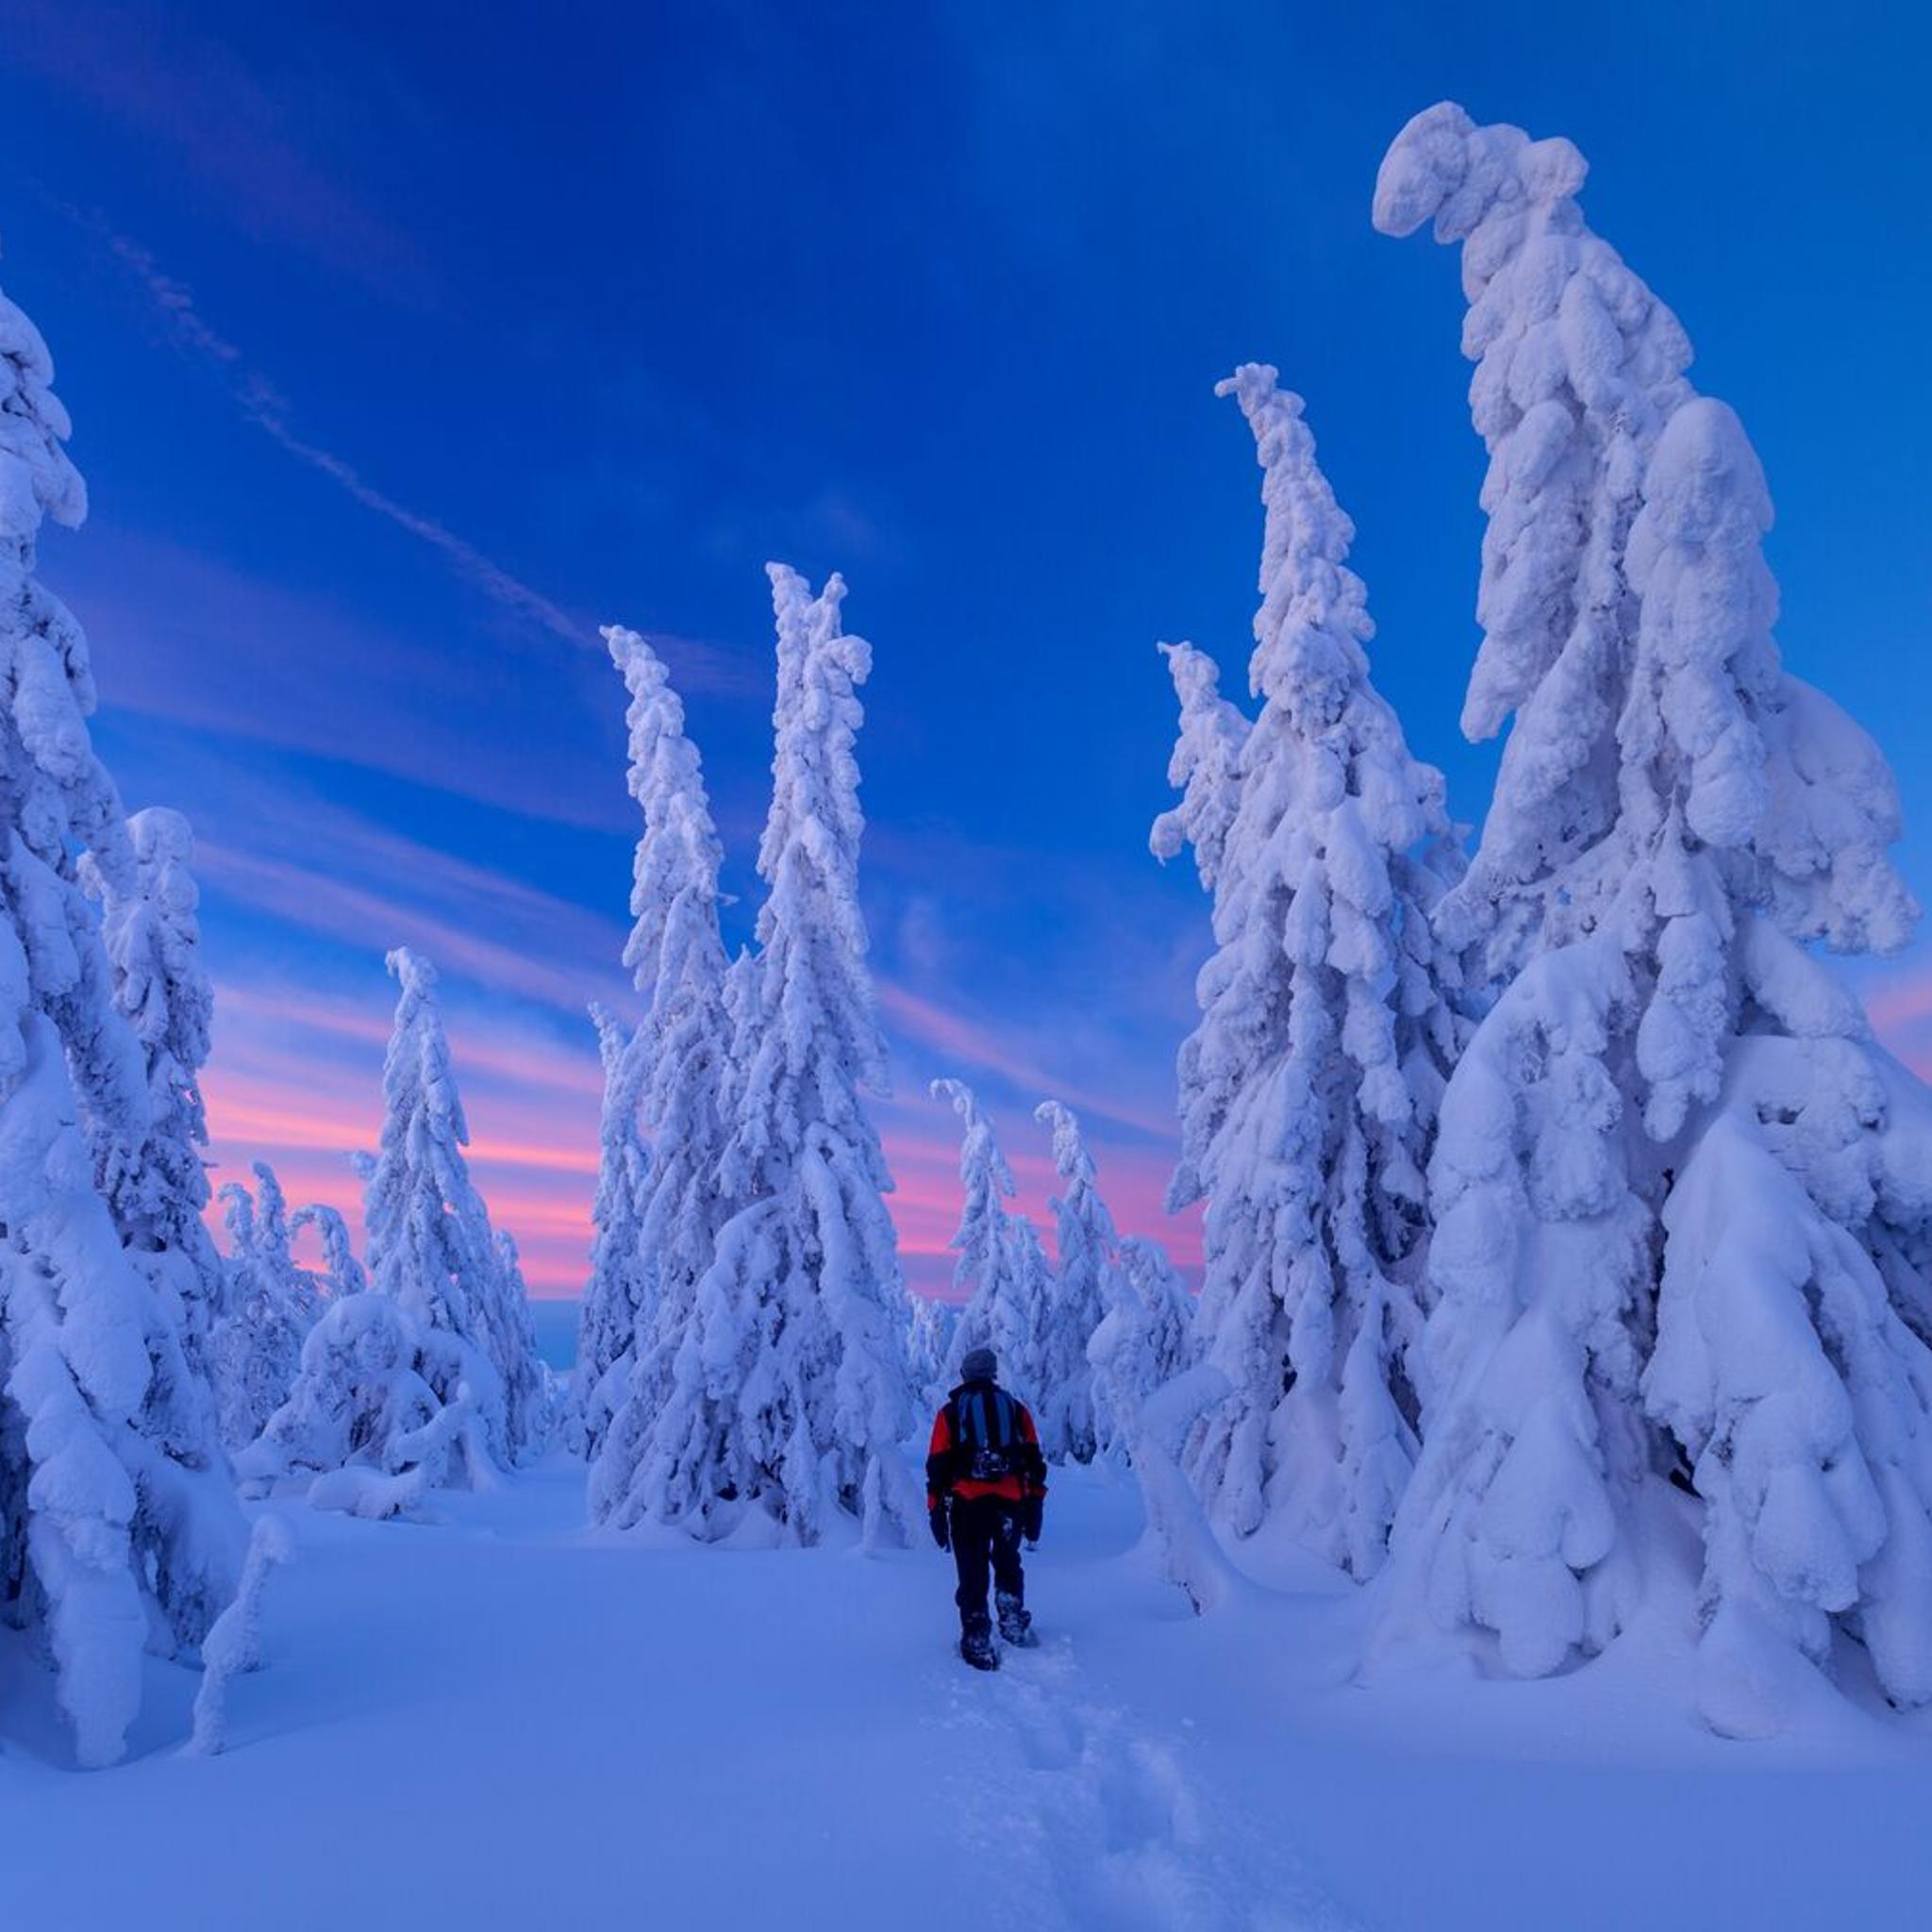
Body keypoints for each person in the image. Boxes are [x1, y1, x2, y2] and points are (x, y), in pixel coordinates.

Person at [925, 1346, 1048, 1671]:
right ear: (993, 1374)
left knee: (972, 1570)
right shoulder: (1016, 1409)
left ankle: (977, 1638)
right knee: (1008, 1562)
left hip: (968, 1505)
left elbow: (936, 1465)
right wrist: (1035, 1501)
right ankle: (1011, 1620)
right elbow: (1035, 1460)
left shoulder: (950, 1413)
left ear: (965, 1374)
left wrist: (935, 1507)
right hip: (1010, 1503)